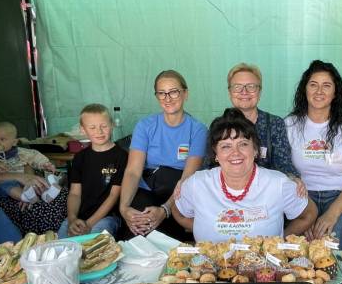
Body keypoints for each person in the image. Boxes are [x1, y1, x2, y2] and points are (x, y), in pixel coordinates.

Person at [174, 109, 317, 242]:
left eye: (243, 144)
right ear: (215, 154)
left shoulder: (278, 183)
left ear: (255, 150)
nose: (235, 153)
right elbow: (178, 211)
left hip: (264, 261)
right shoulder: (197, 183)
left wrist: (278, 242)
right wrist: (203, 228)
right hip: (209, 262)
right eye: (226, 146)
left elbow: (309, 213)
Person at [284, 60, 342, 248]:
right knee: (298, 250)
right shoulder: (290, 125)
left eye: (326, 85)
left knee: (327, 249)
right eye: (313, 85)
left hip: (341, 197)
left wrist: (332, 214)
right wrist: (305, 217)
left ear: (335, 92)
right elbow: (282, 169)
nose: (319, 91)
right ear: (304, 90)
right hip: (302, 198)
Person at [119, 70, 207, 238]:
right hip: (147, 189)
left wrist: (165, 209)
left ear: (185, 94)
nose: (168, 98)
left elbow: (187, 178)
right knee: (139, 227)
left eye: (173, 92)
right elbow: (133, 172)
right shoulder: (144, 126)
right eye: (162, 93)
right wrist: (124, 208)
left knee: (165, 236)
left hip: (178, 193)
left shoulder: (198, 130)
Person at [216, 63, 302, 184]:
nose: (244, 92)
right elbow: (209, 166)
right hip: (228, 188)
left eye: (251, 86)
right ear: (230, 92)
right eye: (237, 87)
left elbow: (283, 164)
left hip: (267, 188)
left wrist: (293, 179)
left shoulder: (274, 124)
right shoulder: (219, 126)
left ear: (259, 92)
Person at [59, 104, 128, 238]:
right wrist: (72, 219)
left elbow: (113, 196)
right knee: (62, 244)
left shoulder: (121, 156)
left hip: (107, 218)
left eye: (104, 126)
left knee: (93, 244)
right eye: (92, 127)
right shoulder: (80, 157)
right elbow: (74, 194)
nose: (99, 131)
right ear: (83, 129)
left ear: (112, 125)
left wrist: (89, 224)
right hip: (79, 218)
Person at [0, 121, 57, 205]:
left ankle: (47, 193)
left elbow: (35, 156)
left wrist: (45, 164)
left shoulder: (22, 153)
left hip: (27, 181)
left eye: (2, 139)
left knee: (39, 181)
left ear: (14, 142)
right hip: (7, 183)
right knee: (4, 185)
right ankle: (24, 197)